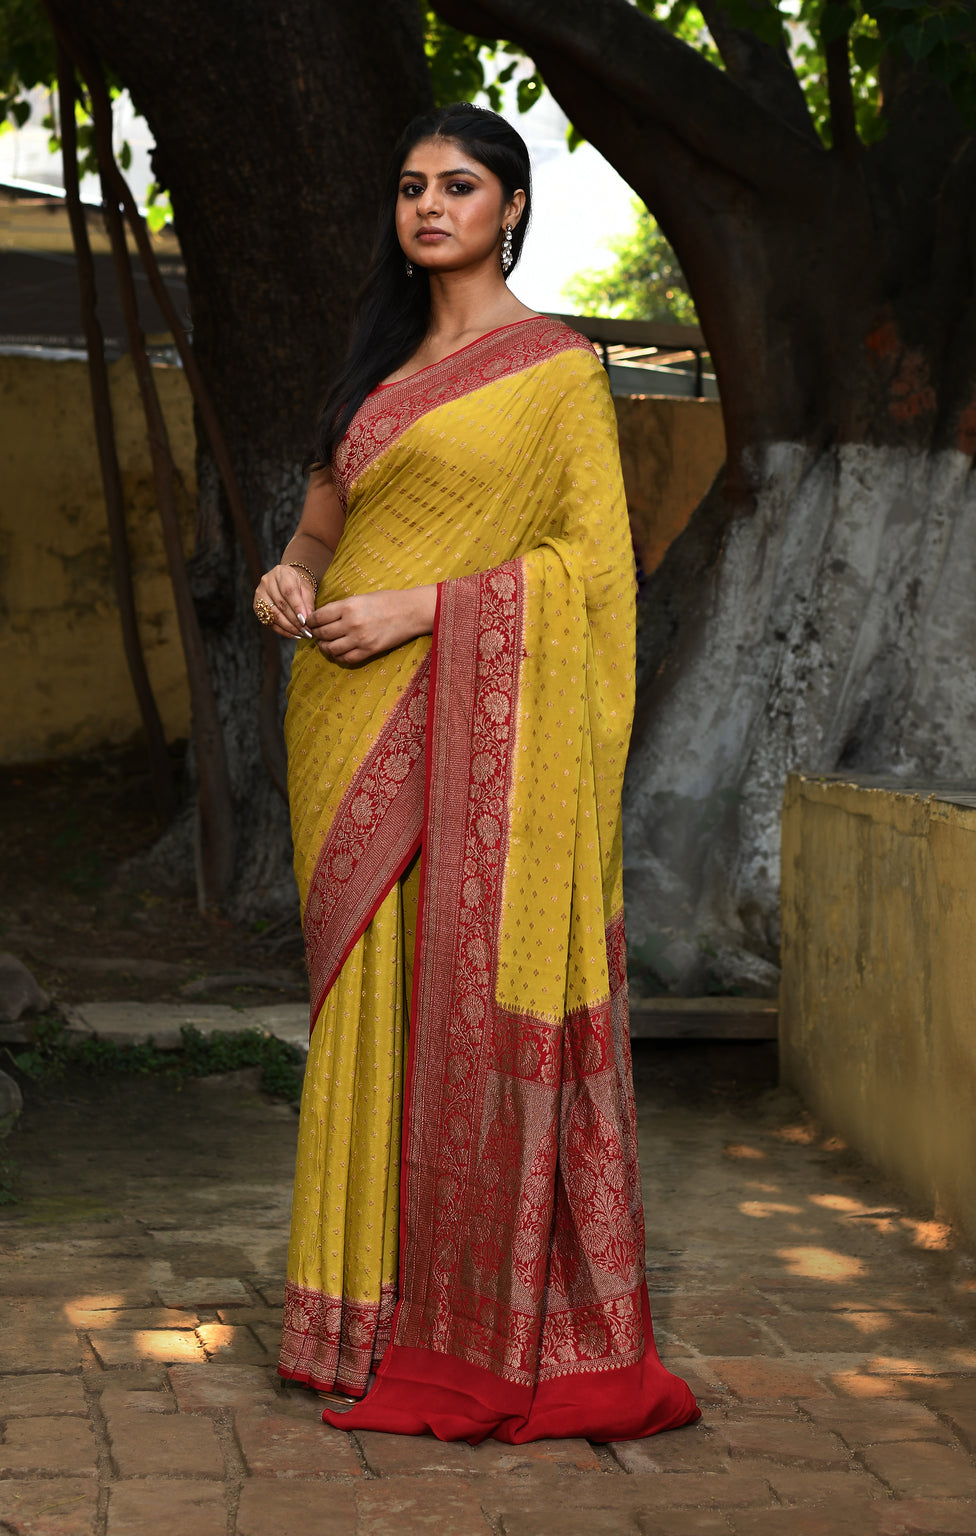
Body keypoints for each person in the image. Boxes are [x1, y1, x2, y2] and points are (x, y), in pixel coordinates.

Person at [251, 102, 699, 1445]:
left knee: (456, 995)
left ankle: (469, 1318)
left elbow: (591, 574)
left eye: (458, 185)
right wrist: (297, 574)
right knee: (366, 1008)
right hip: (343, 713)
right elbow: (325, 521)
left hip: (468, 710)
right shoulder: (377, 371)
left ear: (510, 204)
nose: (428, 206)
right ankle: (353, 1320)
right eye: (409, 188)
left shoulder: (555, 369)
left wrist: (425, 611)